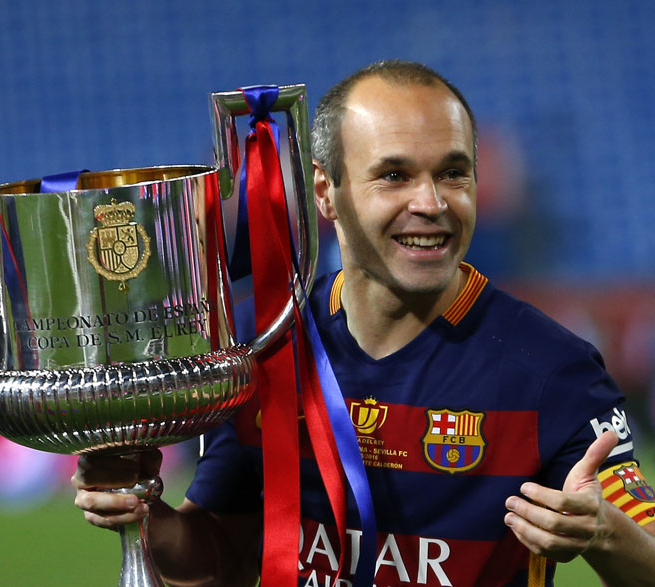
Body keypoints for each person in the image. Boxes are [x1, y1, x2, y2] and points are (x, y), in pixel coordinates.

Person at [72, 60, 655, 586]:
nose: (431, 202)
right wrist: (144, 513)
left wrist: (604, 530)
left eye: (453, 173)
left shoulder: (552, 371)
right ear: (326, 192)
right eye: (394, 176)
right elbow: (216, 555)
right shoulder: (266, 344)